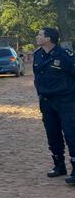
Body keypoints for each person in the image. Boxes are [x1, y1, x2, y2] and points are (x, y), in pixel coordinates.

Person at [33, 27, 75, 184]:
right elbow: (38, 77)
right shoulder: (38, 55)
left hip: (65, 101)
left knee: (71, 133)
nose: (37, 37)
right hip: (46, 101)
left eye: (40, 34)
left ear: (48, 38)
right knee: (53, 134)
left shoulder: (65, 56)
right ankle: (59, 165)